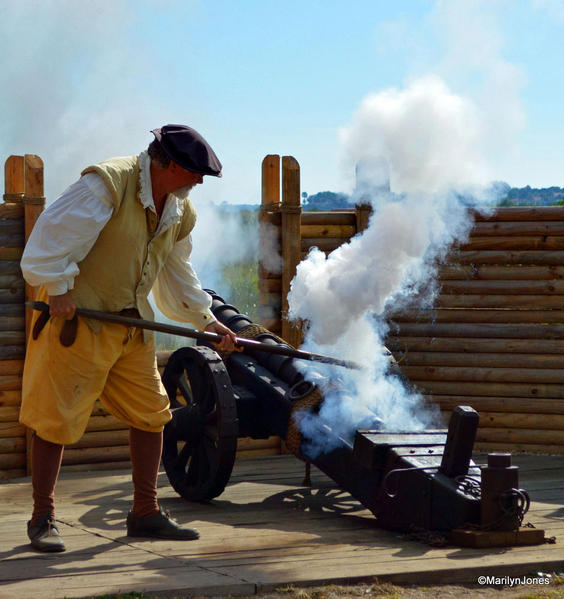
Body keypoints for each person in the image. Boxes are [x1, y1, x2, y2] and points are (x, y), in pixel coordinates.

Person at [19, 124, 238, 553]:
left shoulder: (177, 209)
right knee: (55, 419)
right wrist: (60, 290)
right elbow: (47, 241)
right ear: (170, 164)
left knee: (152, 415)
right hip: (78, 322)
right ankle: (42, 517)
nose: (198, 182)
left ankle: (145, 511)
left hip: (132, 326)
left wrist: (207, 322)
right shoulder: (107, 185)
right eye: (194, 173)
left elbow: (176, 272)